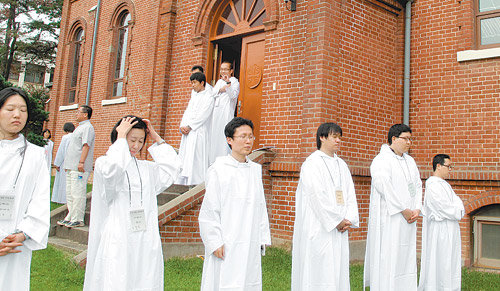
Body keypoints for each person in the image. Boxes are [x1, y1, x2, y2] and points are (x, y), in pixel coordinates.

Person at [84, 115, 181, 290]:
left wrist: (156, 138)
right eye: (132, 140)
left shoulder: (147, 168)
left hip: (145, 234)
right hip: (119, 234)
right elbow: (113, 171)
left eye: (141, 141)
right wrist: (120, 139)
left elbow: (172, 169)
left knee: (145, 277)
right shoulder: (104, 163)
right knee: (118, 278)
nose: (136, 146)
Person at [199, 117, 271, 290]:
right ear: (229, 140)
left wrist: (261, 237)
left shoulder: (255, 170)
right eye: (243, 136)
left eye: (251, 136)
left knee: (248, 280)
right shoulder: (219, 169)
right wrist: (214, 240)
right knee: (225, 280)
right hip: (227, 239)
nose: (248, 141)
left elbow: (260, 206)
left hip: (250, 238)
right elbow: (210, 207)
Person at [291, 123, 359, 290]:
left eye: (339, 137)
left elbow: (350, 193)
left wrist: (348, 218)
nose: (338, 140)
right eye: (334, 136)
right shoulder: (311, 163)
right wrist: (336, 220)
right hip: (319, 226)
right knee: (319, 270)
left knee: (338, 269)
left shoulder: (342, 164)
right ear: (322, 137)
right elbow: (316, 196)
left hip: (340, 226)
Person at [0, 87, 50, 290]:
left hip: (15, 244)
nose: (17, 115)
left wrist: (22, 235)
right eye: (10, 108)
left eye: (22, 110)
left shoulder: (36, 156)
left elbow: (40, 200)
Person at [364, 123, 422, 291]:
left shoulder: (410, 161)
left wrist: (416, 208)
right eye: (406, 139)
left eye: (411, 139)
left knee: (406, 257)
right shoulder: (381, 160)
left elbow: (417, 185)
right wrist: (403, 209)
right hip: (392, 218)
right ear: (394, 139)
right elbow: (384, 186)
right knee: (391, 256)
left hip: (409, 218)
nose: (409, 142)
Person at [418, 154, 464, 291]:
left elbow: (459, 204)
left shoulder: (445, 185)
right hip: (440, 230)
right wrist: (456, 211)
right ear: (438, 166)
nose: (450, 169)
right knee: (441, 261)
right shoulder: (432, 185)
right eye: (448, 166)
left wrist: (456, 210)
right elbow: (441, 206)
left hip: (451, 227)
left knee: (450, 261)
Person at [58, 105, 95, 228]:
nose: (76, 114)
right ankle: (71, 215)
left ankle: (78, 218)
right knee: (70, 192)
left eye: (78, 112)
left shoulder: (88, 128)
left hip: (79, 167)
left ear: (85, 114)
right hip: (71, 166)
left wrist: (81, 162)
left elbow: (86, 145)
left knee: (77, 192)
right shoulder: (79, 128)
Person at [176, 72, 214, 185]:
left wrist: (190, 126)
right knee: (186, 156)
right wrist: (182, 126)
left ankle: (196, 181)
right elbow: (188, 111)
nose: (192, 85)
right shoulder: (194, 96)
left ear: (202, 83)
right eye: (191, 83)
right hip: (188, 132)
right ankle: (184, 180)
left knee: (196, 157)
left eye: (194, 83)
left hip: (199, 131)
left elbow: (204, 114)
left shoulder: (209, 96)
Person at [208, 61, 240, 165]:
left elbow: (233, 96)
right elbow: (212, 94)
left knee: (223, 137)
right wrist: (221, 89)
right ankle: (213, 162)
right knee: (214, 137)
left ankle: (225, 161)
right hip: (216, 114)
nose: (223, 71)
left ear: (231, 71)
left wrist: (228, 85)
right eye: (221, 69)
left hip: (226, 114)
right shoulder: (218, 82)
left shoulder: (234, 82)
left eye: (225, 69)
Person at [51, 122, 75, 204]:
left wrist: (57, 163)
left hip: (64, 162)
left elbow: (61, 151)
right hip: (73, 162)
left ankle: (60, 199)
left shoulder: (65, 138)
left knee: (62, 182)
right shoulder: (76, 137)